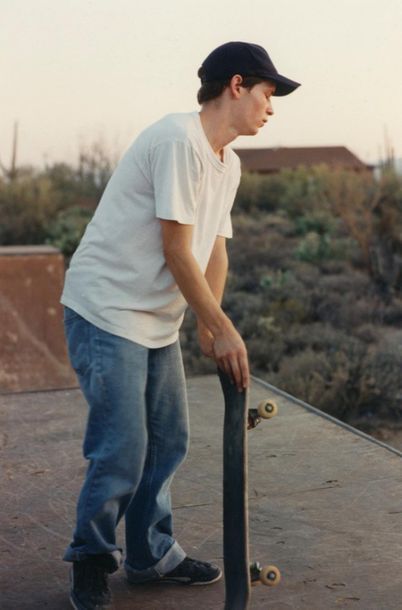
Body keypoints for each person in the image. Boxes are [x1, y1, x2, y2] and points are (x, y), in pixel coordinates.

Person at [61, 41, 300, 610]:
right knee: (123, 446)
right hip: (106, 309)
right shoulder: (176, 139)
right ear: (237, 85)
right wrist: (220, 324)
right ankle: (91, 558)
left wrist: (207, 322)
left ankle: (148, 554)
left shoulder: (229, 163)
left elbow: (214, 249)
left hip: (155, 321)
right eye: (268, 93)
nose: (272, 107)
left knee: (169, 440)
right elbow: (176, 249)